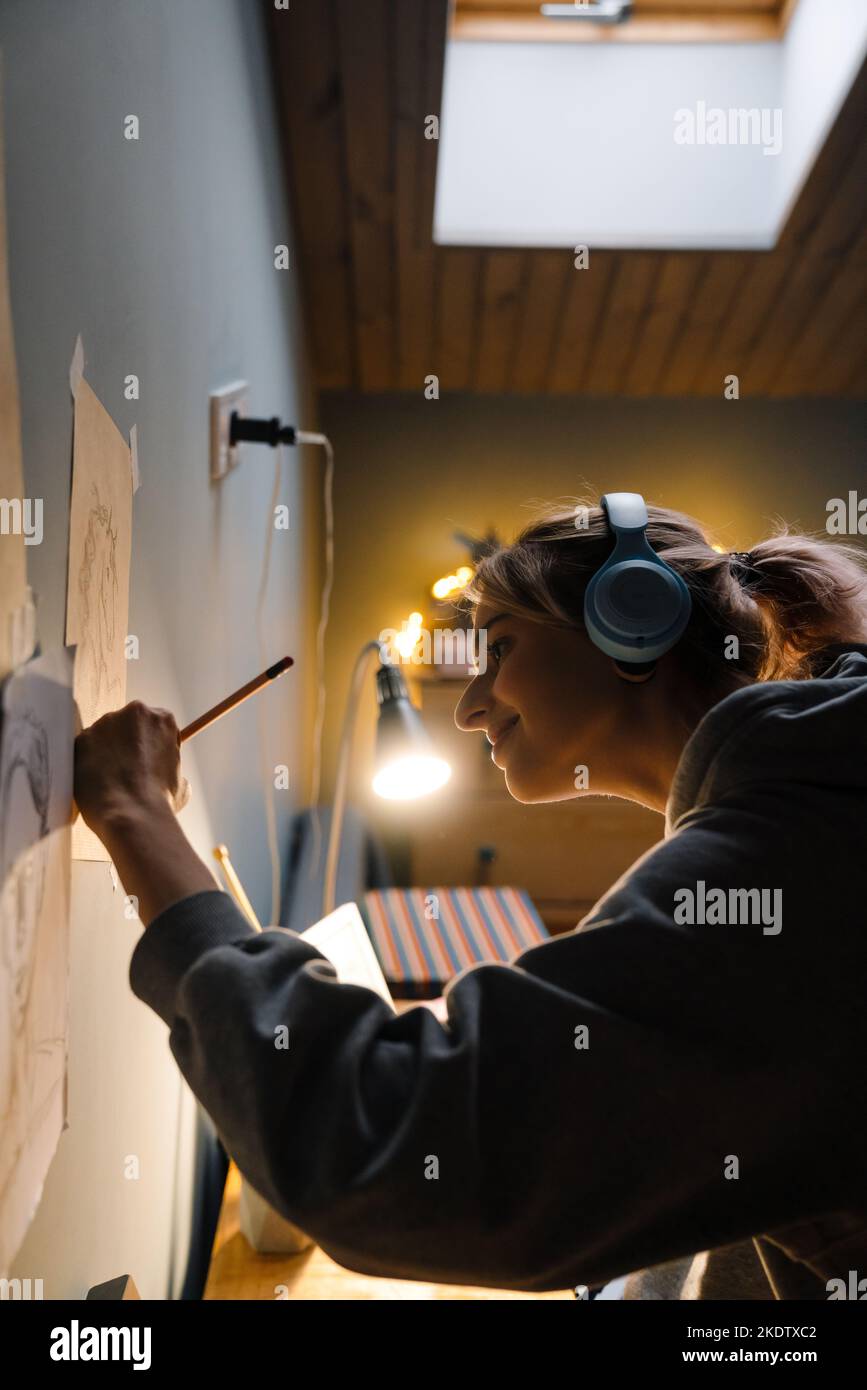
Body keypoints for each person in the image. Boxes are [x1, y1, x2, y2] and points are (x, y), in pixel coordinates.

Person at [73, 497, 867, 1299]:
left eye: (499, 650)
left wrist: (139, 819)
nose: (468, 705)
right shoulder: (810, 794)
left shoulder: (790, 849)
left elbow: (383, 1147)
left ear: (635, 620)